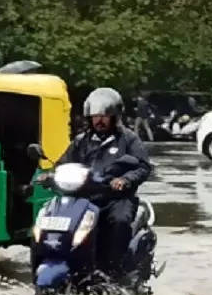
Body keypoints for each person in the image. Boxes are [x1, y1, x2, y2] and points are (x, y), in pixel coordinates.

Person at [56, 87, 152, 278]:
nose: (100, 120)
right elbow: (63, 162)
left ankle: (115, 271)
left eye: (105, 115)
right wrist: (50, 175)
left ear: (115, 116)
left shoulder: (128, 139)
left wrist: (125, 180)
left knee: (119, 221)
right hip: (85, 198)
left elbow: (143, 167)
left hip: (116, 199)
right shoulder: (81, 141)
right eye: (96, 115)